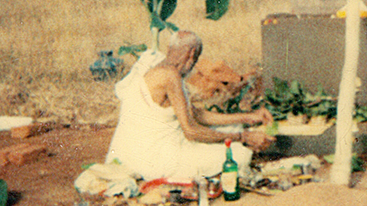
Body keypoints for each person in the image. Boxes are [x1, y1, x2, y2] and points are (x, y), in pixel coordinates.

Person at [106, 31, 275, 180]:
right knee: (240, 153)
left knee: (234, 128)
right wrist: (243, 137)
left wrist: (248, 117)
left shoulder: (155, 64)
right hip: (153, 160)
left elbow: (196, 114)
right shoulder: (170, 76)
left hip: (130, 154)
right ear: (192, 53)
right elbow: (191, 131)